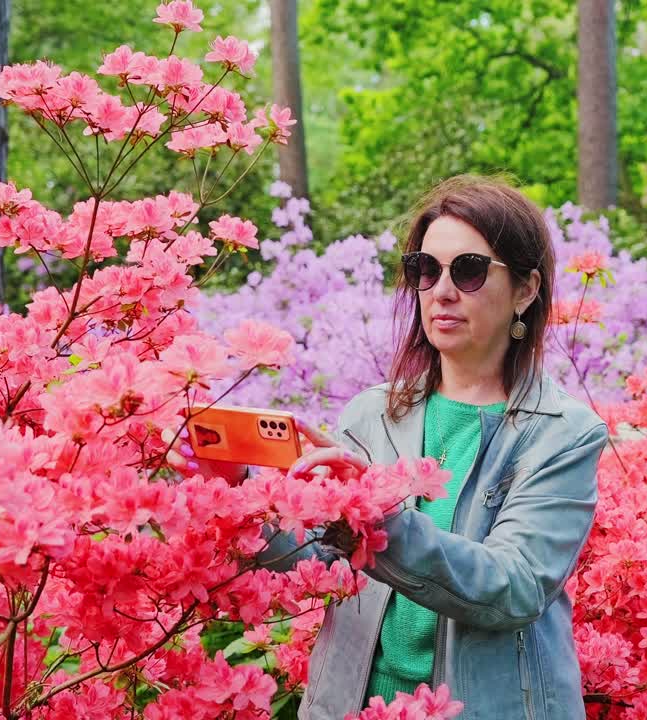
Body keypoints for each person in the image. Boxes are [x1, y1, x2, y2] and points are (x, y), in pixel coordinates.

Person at [188, 175, 608, 719]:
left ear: (526, 290)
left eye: (470, 270)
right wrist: (235, 489)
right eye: (426, 270)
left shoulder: (563, 432)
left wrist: (375, 516)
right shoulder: (373, 412)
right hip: (357, 704)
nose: (442, 291)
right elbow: (322, 561)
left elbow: (514, 586)